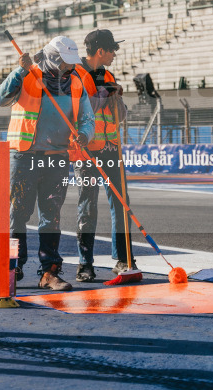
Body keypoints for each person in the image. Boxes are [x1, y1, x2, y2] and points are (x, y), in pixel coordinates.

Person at [0, 36, 94, 291]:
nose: (69, 67)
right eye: (64, 63)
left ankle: (49, 272)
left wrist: (84, 134)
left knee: (51, 216)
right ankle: (12, 267)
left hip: (57, 158)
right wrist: (19, 70)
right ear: (50, 58)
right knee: (17, 215)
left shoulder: (75, 83)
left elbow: (87, 118)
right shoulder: (27, 75)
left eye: (70, 63)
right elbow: (0, 99)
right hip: (24, 156)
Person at [70, 29, 134, 282]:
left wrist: (116, 97)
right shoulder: (75, 74)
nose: (115, 54)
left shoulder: (108, 75)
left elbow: (121, 115)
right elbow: (79, 109)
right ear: (100, 51)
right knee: (87, 208)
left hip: (111, 149)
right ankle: (85, 264)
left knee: (121, 204)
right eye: (113, 50)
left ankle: (123, 259)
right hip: (86, 151)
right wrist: (105, 94)